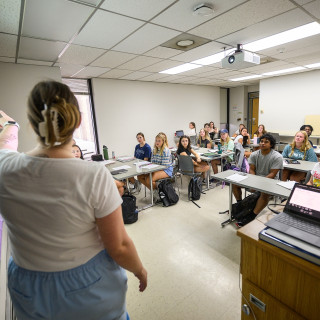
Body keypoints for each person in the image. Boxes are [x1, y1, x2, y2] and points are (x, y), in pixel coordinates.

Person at [0, 81, 147, 320]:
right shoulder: (93, 175)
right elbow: (119, 246)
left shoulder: (5, 167)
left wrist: (10, 125)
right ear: (78, 121)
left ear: (32, 124)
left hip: (27, 288)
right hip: (85, 290)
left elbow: (5, 144)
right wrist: (139, 270)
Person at [234, 134, 283, 227]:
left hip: (270, 181)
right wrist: (254, 183)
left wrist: (258, 185)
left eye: (266, 142)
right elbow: (251, 169)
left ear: (271, 144)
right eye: (261, 141)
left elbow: (272, 174)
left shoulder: (277, 157)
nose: (263, 143)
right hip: (255, 178)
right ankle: (240, 206)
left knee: (264, 193)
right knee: (235, 184)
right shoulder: (254, 154)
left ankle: (252, 216)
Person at [138, 132, 173, 198]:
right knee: (139, 177)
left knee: (149, 180)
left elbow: (164, 166)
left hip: (166, 170)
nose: (157, 142)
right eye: (156, 140)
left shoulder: (166, 150)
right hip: (156, 168)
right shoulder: (154, 149)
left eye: (159, 141)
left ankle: (158, 194)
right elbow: (152, 162)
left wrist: (153, 170)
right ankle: (155, 191)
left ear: (163, 141)